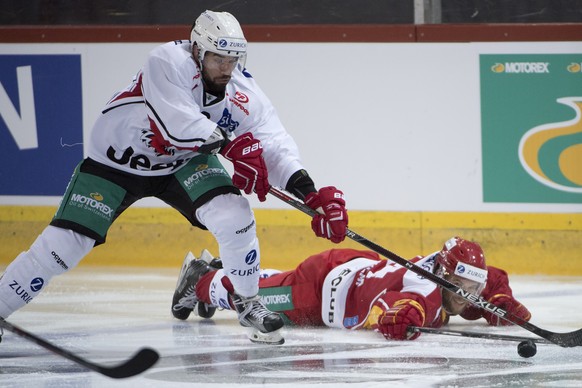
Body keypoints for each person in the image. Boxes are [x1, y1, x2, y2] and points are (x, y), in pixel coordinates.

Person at [0, 10, 348, 345]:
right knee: (63, 247)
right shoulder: (166, 61)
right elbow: (177, 123)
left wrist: (309, 192)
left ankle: (247, 301)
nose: (227, 68)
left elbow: (273, 145)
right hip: (114, 166)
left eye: (233, 60)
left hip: (182, 165)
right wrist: (233, 148)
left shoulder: (243, 92)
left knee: (234, 215)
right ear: (198, 49)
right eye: (218, 59)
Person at [176, 236, 532, 341]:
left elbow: (493, 278)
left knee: (273, 282)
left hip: (352, 268)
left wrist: (499, 301)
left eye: (475, 287)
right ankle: (199, 278)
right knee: (252, 298)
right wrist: (400, 318)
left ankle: (219, 268)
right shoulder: (423, 290)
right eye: (462, 286)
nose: (468, 294)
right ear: (444, 273)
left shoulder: (453, 279)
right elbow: (399, 305)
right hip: (317, 293)